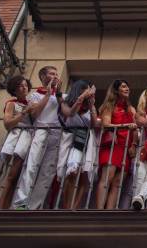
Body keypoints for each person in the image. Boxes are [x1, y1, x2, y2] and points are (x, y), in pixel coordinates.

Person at [12, 66, 64, 209]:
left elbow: (66, 114)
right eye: (51, 74)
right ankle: (20, 203)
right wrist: (48, 94)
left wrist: (57, 93)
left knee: (48, 171)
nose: (55, 76)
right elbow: (34, 114)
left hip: (57, 133)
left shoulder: (62, 95)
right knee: (31, 165)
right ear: (43, 77)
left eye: (56, 74)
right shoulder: (35, 95)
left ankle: (34, 206)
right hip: (41, 129)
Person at [56, 80, 99, 209]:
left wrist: (91, 106)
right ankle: (67, 206)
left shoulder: (90, 106)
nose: (88, 93)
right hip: (70, 139)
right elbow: (70, 113)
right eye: (85, 90)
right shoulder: (65, 101)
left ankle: (75, 206)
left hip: (87, 140)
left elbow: (93, 124)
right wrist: (81, 98)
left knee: (85, 173)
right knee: (71, 173)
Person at [96, 80, 138, 209]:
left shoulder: (131, 109)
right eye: (124, 86)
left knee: (117, 182)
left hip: (125, 148)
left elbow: (135, 128)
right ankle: (99, 211)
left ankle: (109, 211)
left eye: (127, 87)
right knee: (107, 178)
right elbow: (106, 125)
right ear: (116, 90)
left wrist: (134, 144)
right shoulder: (109, 106)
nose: (127, 89)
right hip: (112, 145)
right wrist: (125, 126)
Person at [0, 75, 33, 209]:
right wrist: (23, 113)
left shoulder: (30, 102)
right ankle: (2, 207)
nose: (24, 88)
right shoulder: (12, 103)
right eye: (20, 85)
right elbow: (7, 124)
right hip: (16, 138)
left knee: (17, 175)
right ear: (14, 89)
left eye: (25, 85)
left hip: (27, 138)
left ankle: (10, 205)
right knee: (11, 175)